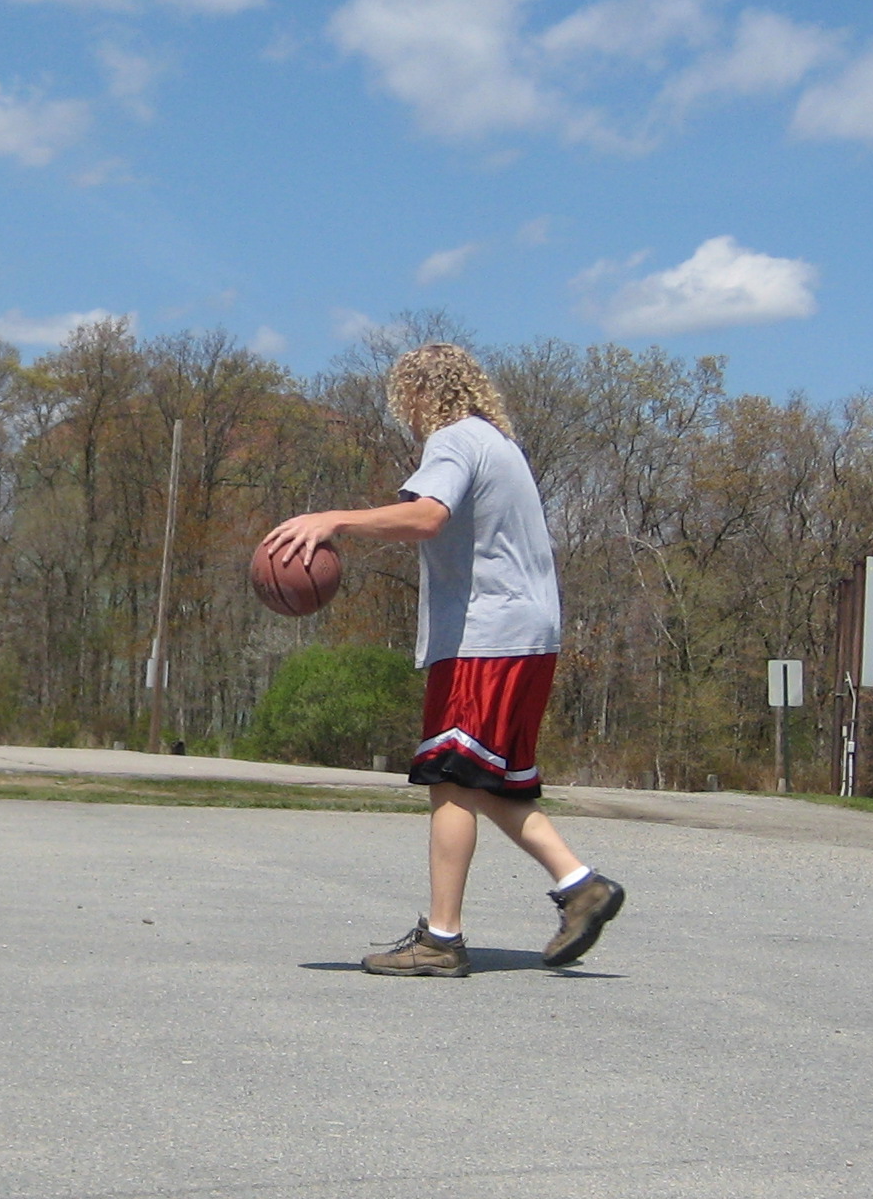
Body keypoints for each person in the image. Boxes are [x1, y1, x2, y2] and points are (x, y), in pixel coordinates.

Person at [262, 341, 623, 978]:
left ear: (420, 393)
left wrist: (334, 521)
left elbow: (427, 516)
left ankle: (440, 939)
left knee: (452, 781)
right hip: (528, 634)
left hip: (487, 637)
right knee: (491, 781)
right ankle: (580, 886)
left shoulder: (456, 439)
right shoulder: (500, 443)